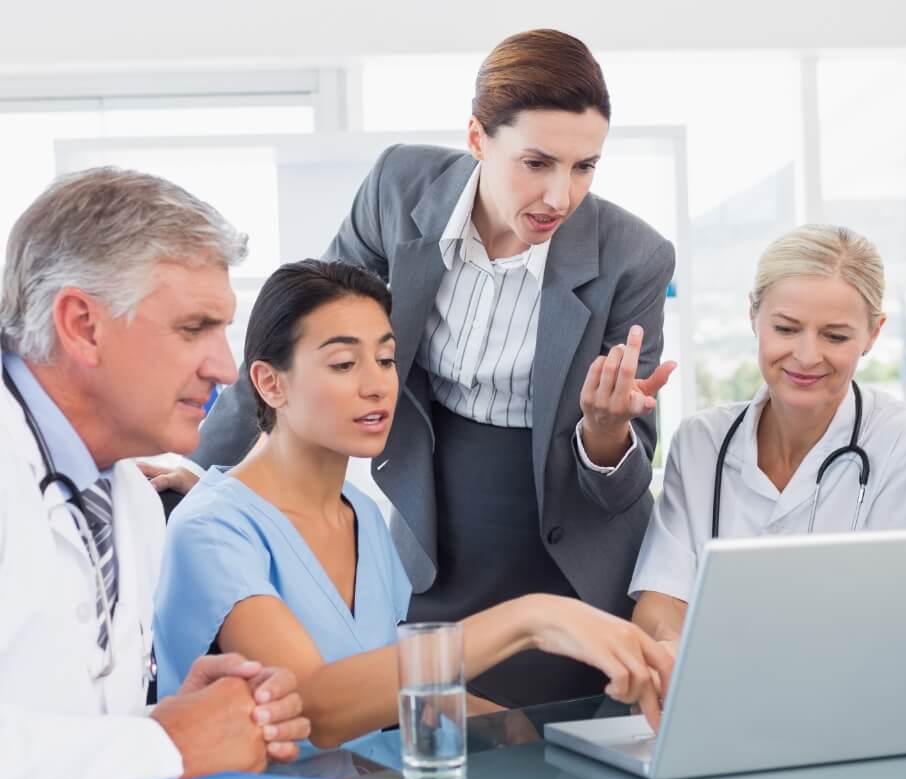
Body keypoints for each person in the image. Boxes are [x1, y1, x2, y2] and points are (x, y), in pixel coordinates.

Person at [146, 29, 676, 709]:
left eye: (585, 167)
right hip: (438, 520)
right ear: (479, 138)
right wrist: (201, 467)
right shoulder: (402, 189)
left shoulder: (634, 256)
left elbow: (626, 477)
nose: (559, 195)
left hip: (570, 547)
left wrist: (605, 432)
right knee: (428, 721)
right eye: (537, 162)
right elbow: (302, 327)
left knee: (549, 751)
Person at [155, 259, 675, 748]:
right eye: (343, 363)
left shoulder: (361, 515)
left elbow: (391, 695)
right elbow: (317, 708)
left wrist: (533, 741)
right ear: (270, 383)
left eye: (385, 359)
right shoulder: (212, 528)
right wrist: (532, 619)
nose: (376, 384)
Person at [0, 168, 310, 779]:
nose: (225, 368)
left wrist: (167, 716)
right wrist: (165, 742)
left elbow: (58, 728)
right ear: (83, 325)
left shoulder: (132, 497)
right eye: (194, 328)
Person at [630, 225, 906, 643]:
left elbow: (904, 622)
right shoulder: (702, 441)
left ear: (873, 334)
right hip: (716, 695)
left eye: (835, 336)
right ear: (753, 316)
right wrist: (675, 657)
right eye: (786, 329)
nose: (806, 356)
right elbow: (661, 601)